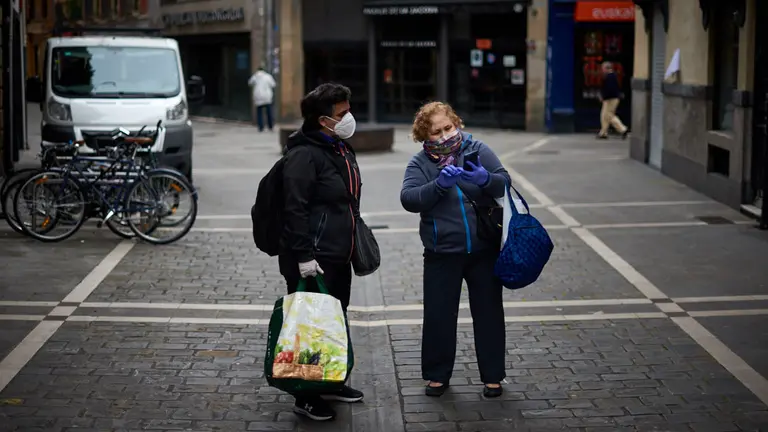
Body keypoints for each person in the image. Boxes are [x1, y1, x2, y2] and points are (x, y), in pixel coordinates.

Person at [400, 101, 511, 399]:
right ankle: (437, 376)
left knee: (488, 313)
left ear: (456, 123)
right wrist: (438, 185)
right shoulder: (419, 164)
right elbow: (409, 199)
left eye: (448, 127)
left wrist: (485, 179)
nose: (444, 136)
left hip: (483, 250)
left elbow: (504, 183)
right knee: (438, 315)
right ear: (425, 136)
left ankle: (493, 376)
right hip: (441, 252)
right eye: (435, 132)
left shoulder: (477, 149)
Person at [278, 82, 364, 421]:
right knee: (310, 327)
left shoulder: (339, 147)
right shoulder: (303, 154)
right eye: (341, 114)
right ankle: (306, 396)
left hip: (337, 254)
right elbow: (293, 208)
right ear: (322, 119)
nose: (348, 118)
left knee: (333, 322)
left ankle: (329, 380)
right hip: (313, 257)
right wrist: (303, 256)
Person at [597, 61, 629, 139]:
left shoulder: (610, 76)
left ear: (607, 68)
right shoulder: (610, 76)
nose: (602, 70)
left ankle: (623, 129)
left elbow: (610, 89)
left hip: (611, 99)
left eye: (603, 68)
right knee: (604, 115)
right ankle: (603, 133)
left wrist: (603, 97)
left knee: (609, 115)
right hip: (610, 98)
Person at [248, 67, 276, 132]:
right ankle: (270, 126)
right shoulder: (268, 76)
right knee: (269, 112)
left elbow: (250, 82)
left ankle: (260, 127)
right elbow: (273, 84)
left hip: (258, 96)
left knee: (259, 112)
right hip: (267, 97)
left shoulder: (255, 76)